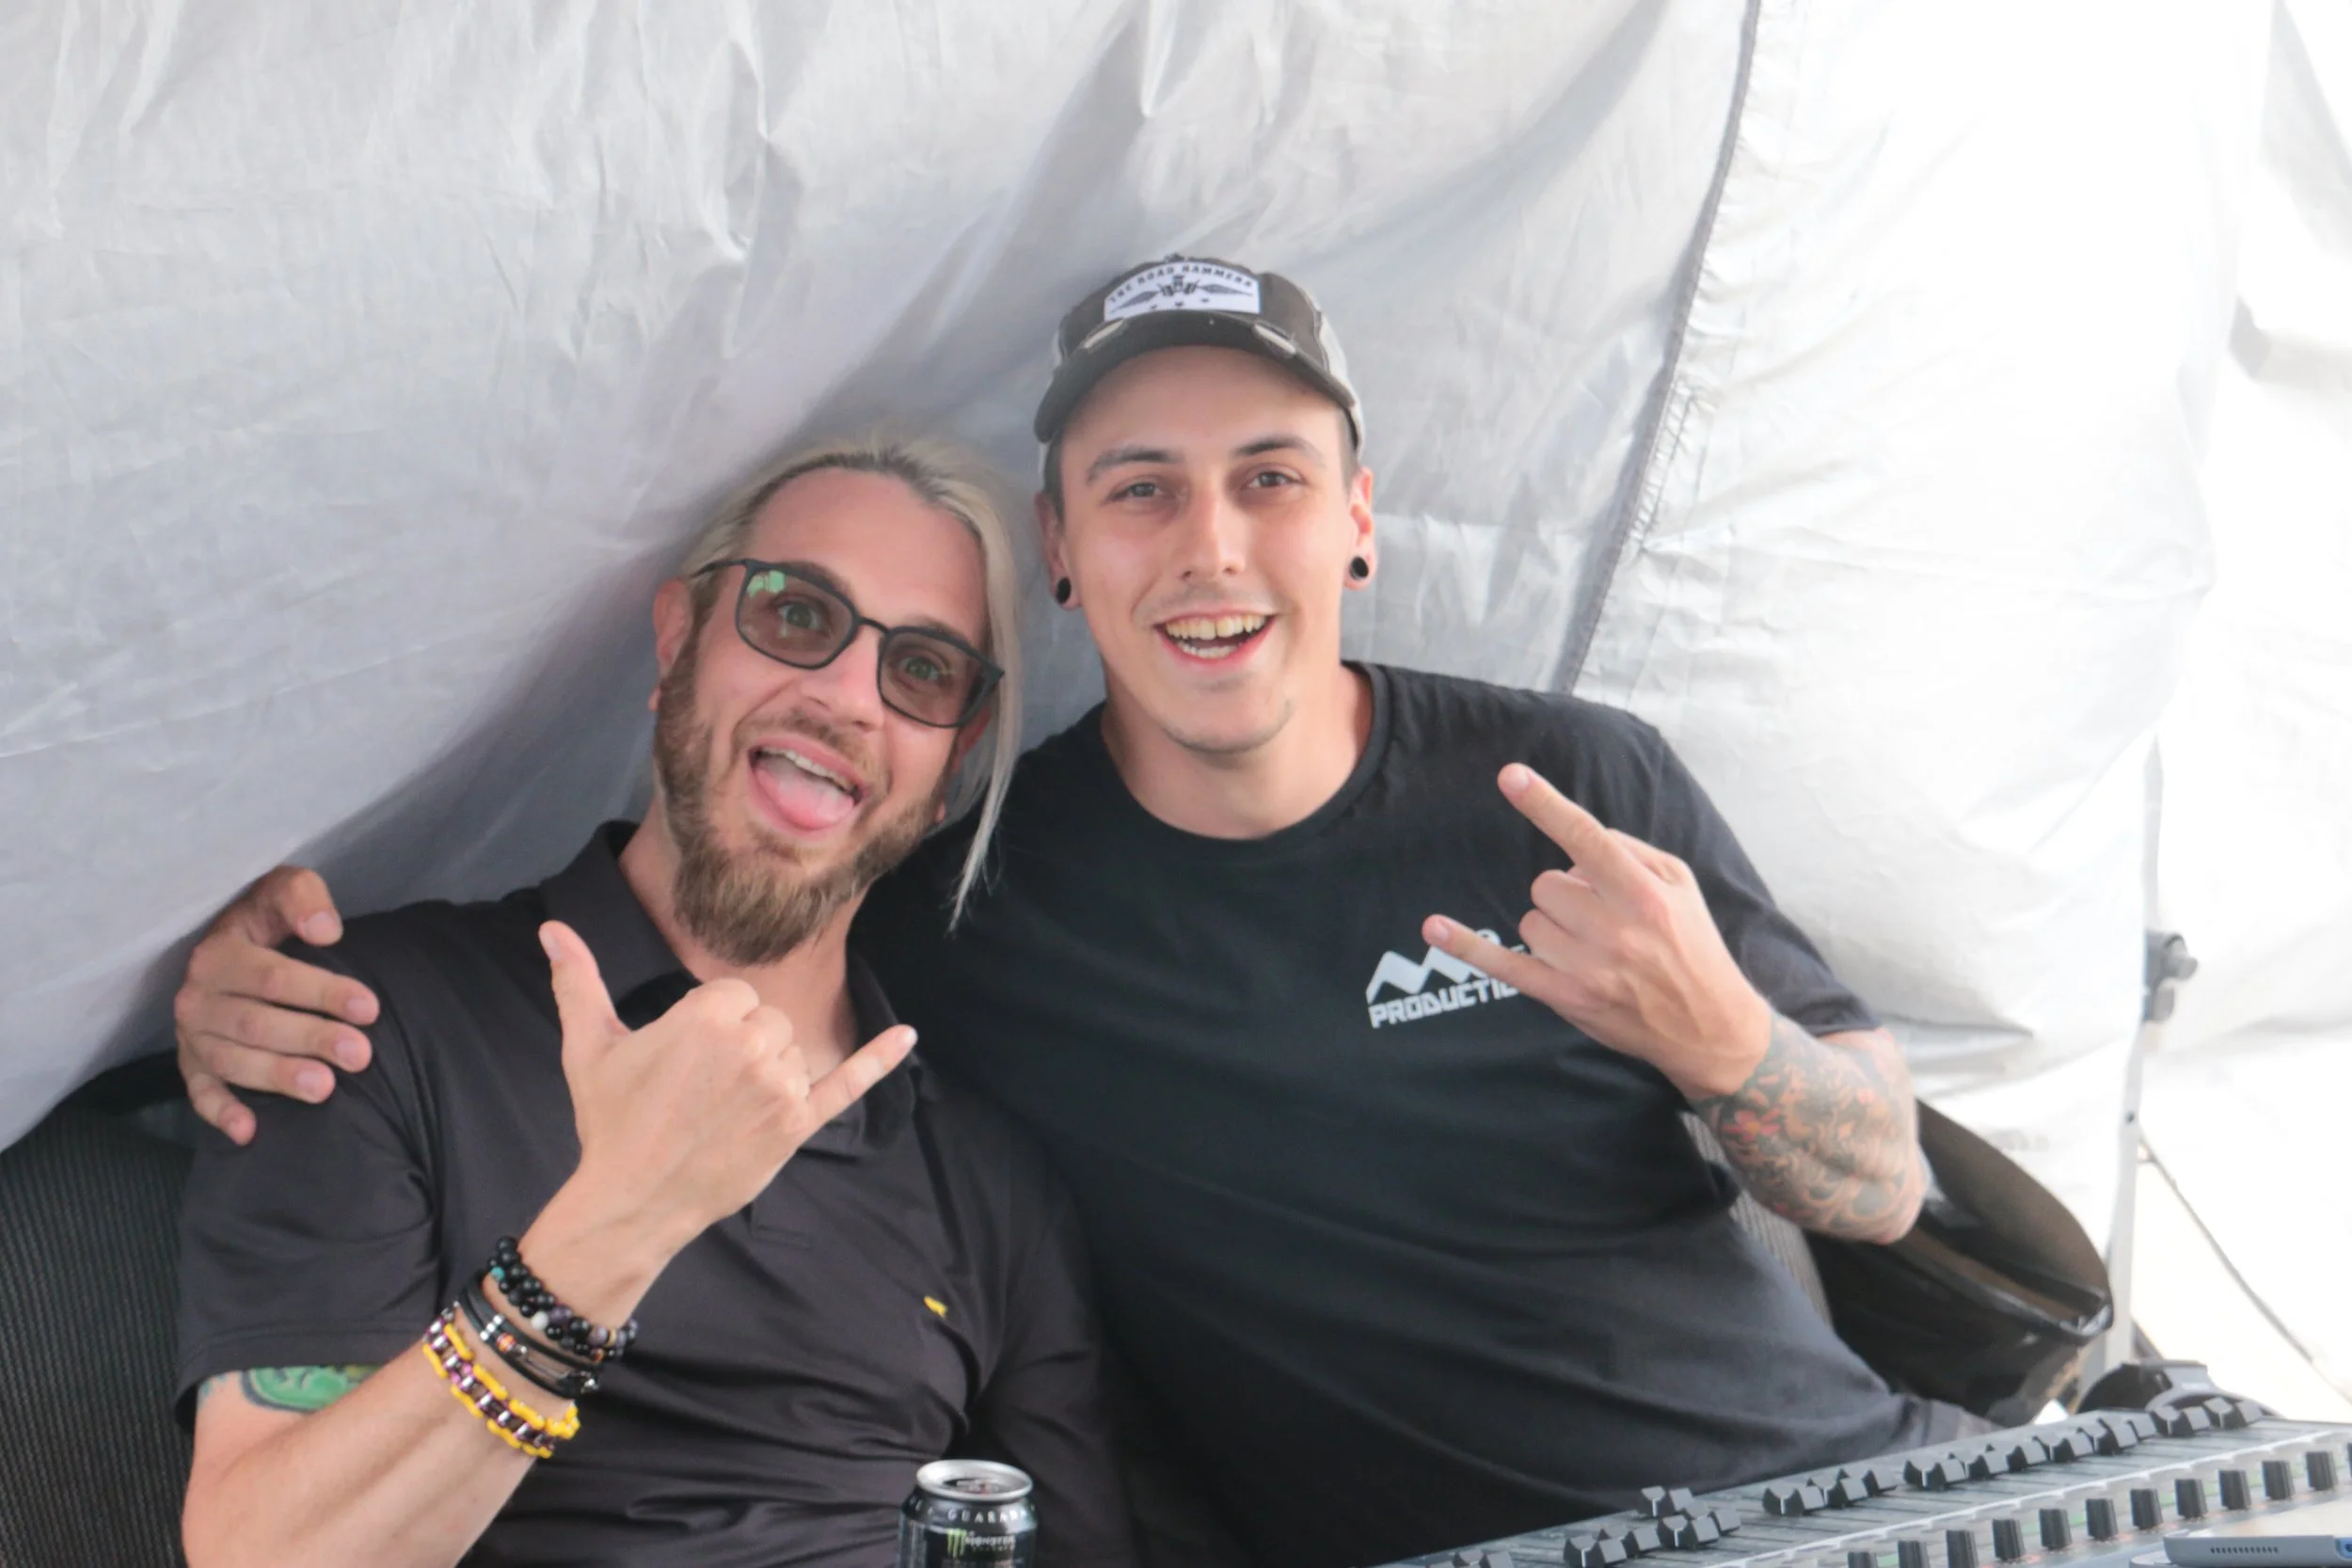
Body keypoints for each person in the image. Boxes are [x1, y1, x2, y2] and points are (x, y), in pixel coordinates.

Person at [175, 260, 1970, 1568]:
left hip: (1903, 1505)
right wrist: (228, 990)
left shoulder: (1568, 791)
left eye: (1269, 477)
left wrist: (1721, 1038)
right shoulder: (398, 1016)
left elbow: (1886, 1188)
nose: (1209, 546)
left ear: (1356, 515)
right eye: (795, 617)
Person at [171, 435, 1136, 1568]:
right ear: (676, 640)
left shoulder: (989, 1181)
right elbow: (264, 1552)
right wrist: (614, 1225)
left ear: (951, 769)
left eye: (921, 669)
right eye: (795, 614)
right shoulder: (365, 1018)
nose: (844, 697)